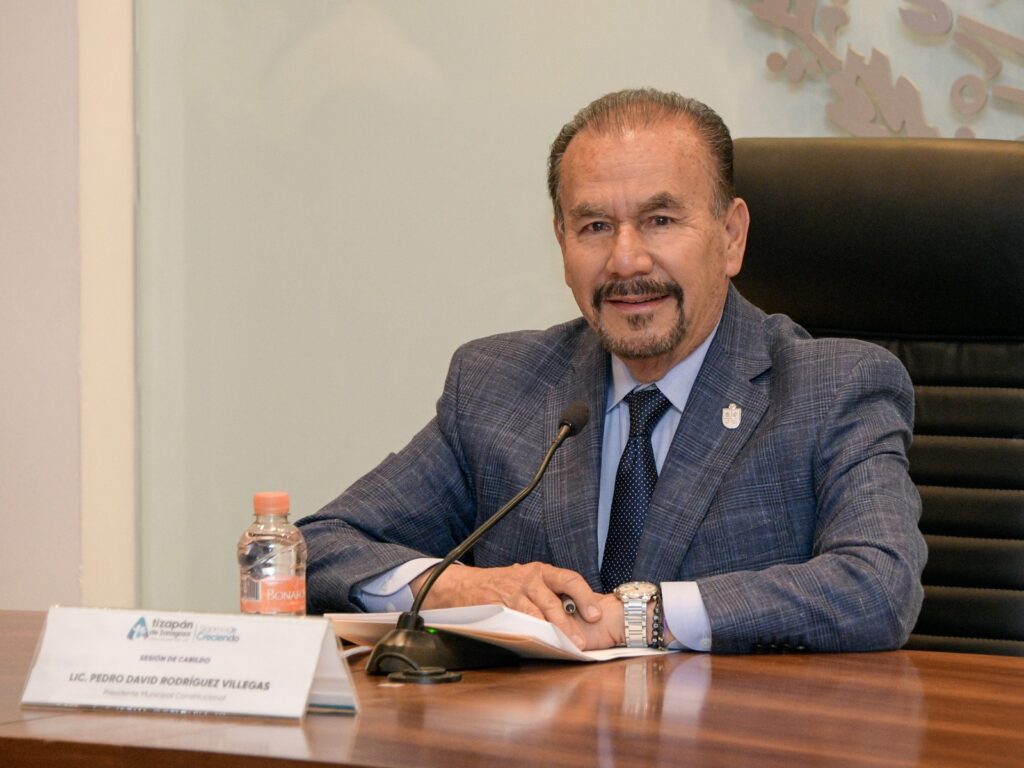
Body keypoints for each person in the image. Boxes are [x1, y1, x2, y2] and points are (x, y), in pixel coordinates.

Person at [297, 88, 926, 653]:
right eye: (595, 226)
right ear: (562, 243)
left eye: (660, 220)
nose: (626, 260)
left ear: (731, 236)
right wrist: (451, 587)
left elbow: (878, 585)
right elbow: (315, 549)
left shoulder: (833, 388)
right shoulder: (498, 385)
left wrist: (641, 615)